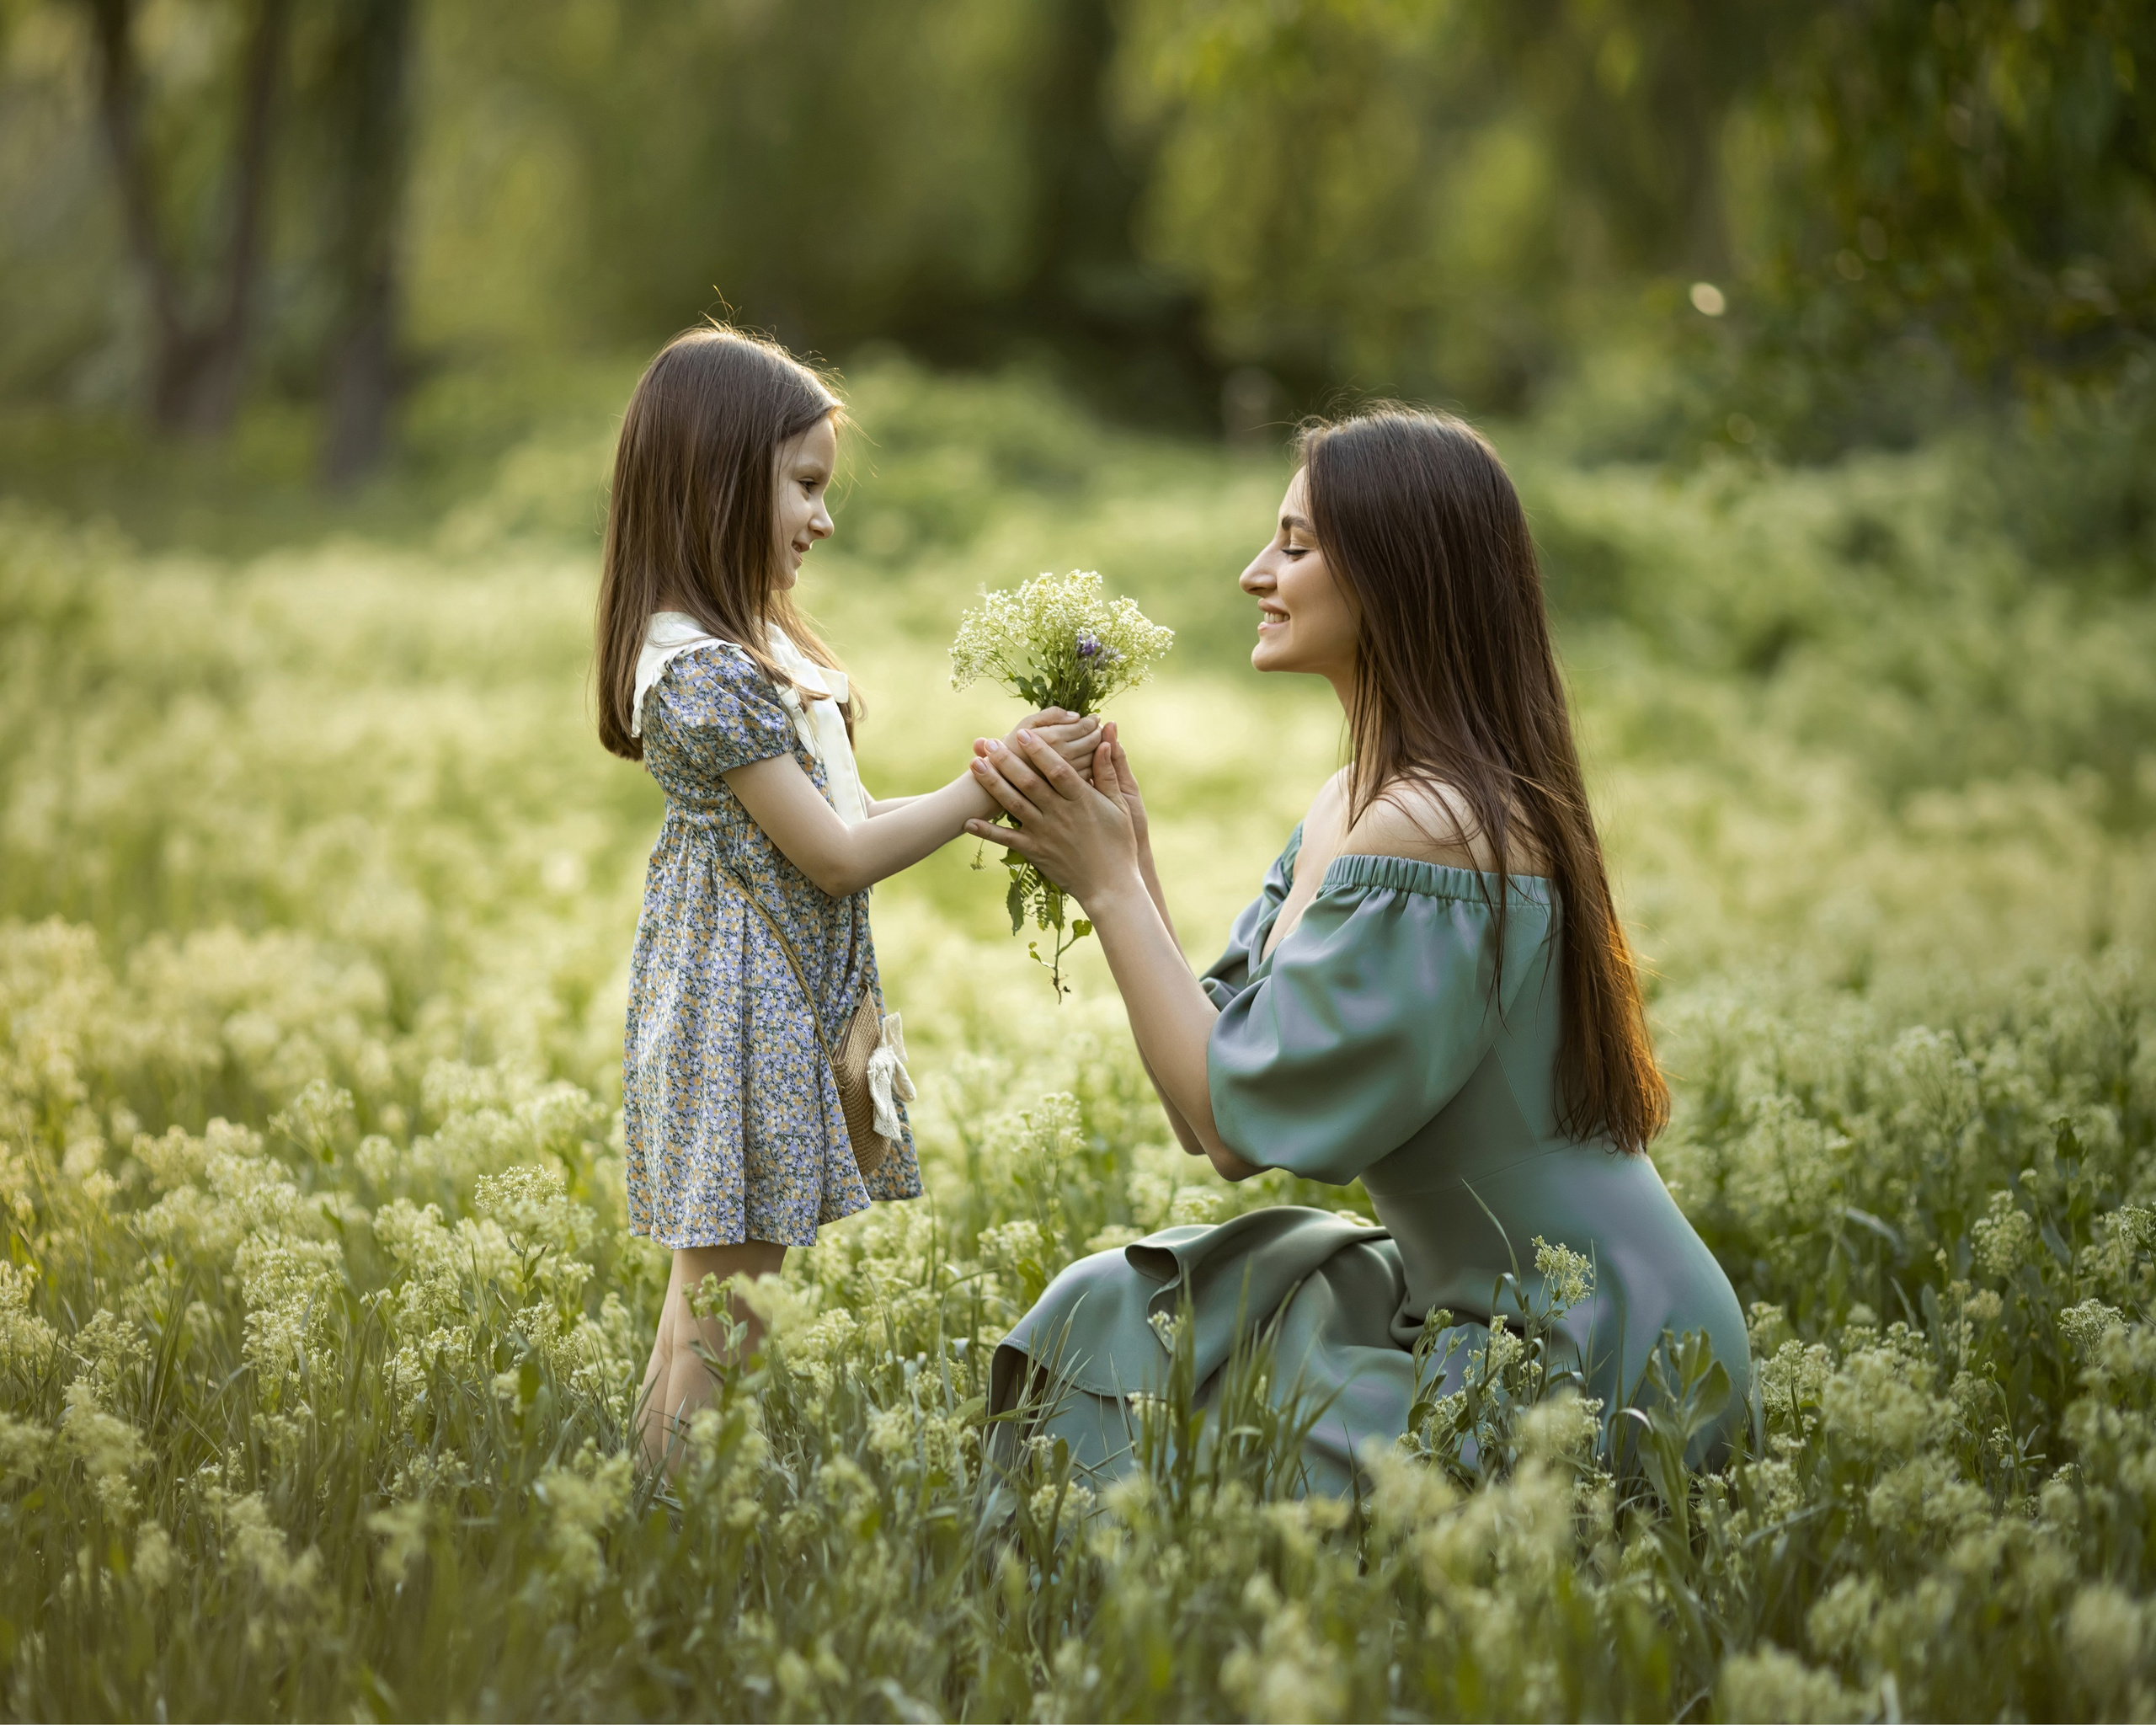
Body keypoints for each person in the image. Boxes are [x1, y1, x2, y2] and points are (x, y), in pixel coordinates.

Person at [964, 406, 1750, 1493]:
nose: (1255, 573)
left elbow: (1233, 1131)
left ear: (1396, 578)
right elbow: (1207, 1105)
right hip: (1461, 1307)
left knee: (1228, 1458)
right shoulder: (1353, 804)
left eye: (1295, 546)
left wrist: (1106, 888)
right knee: (1118, 1304)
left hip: (1586, 1346)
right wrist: (1130, 866)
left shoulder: (1438, 827)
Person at [594, 325, 1102, 1471]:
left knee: (706, 1309)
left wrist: (1000, 780)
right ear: (718, 485)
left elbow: (851, 817)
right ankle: (670, 1528)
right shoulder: (703, 674)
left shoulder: (741, 651)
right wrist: (984, 788)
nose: (824, 519)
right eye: (806, 486)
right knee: (723, 1318)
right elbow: (833, 857)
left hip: (762, 1000)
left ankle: (647, 1518)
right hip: (743, 1017)